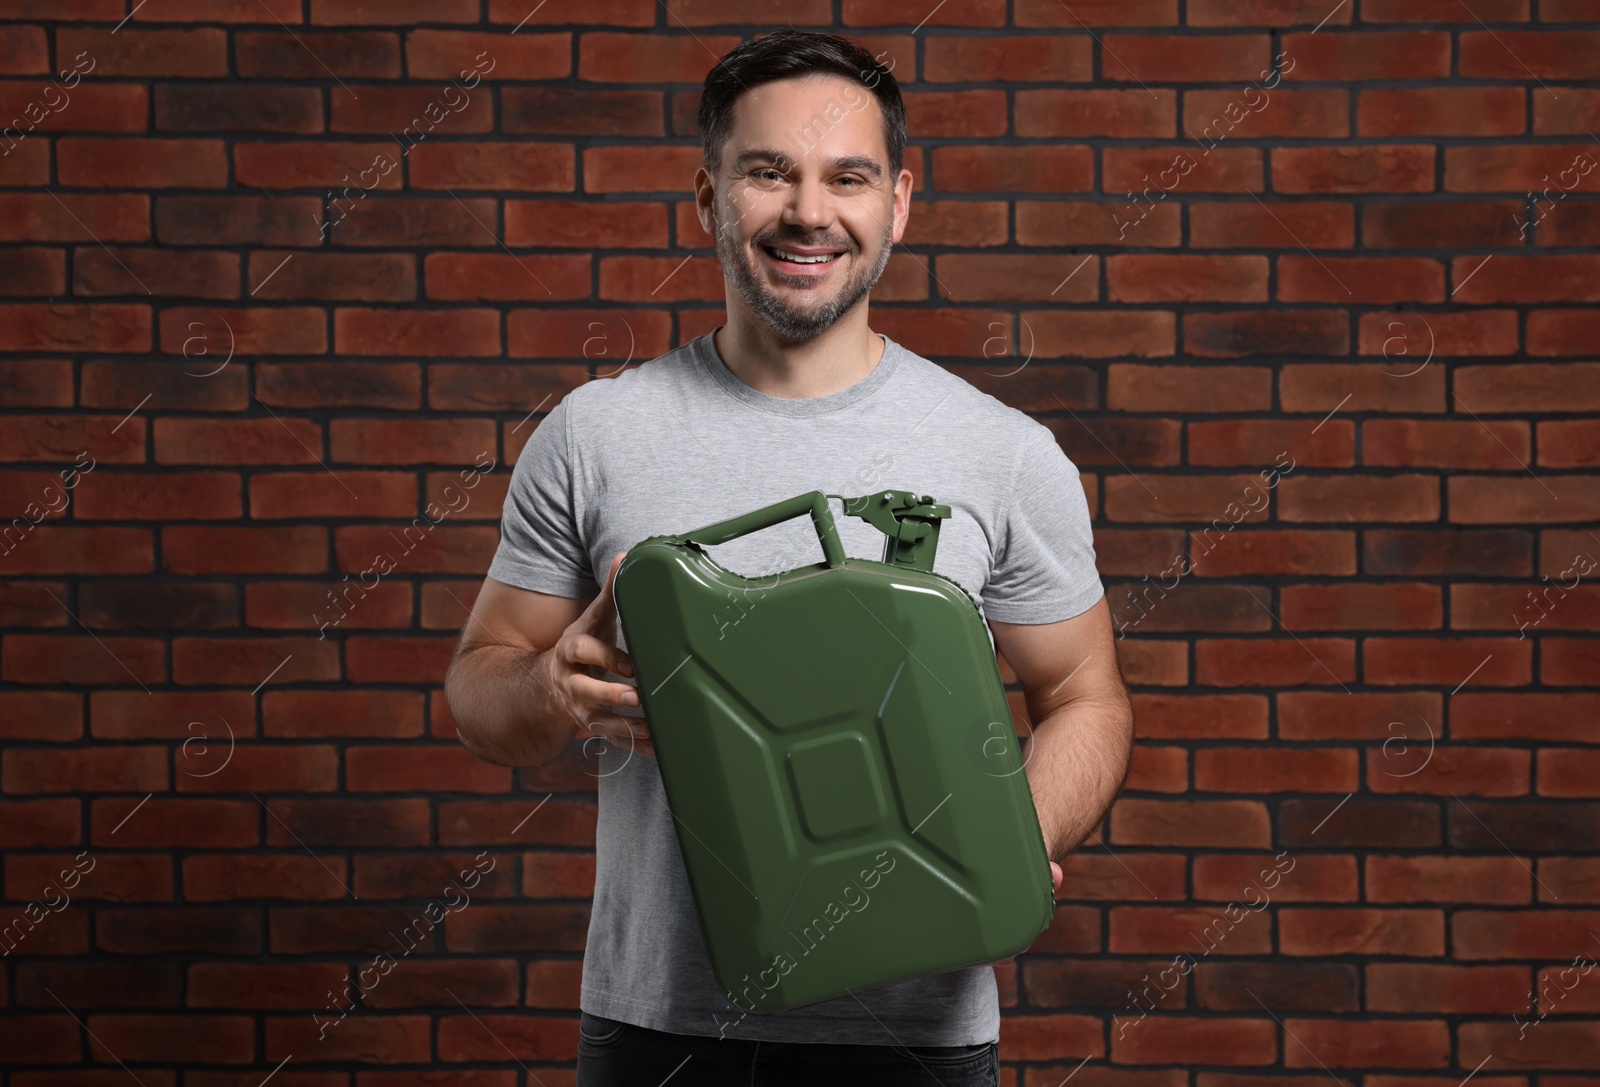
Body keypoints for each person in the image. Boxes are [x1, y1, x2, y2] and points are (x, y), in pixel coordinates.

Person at [445, 27, 1134, 1087]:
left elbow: (1085, 694)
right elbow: (478, 687)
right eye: (768, 173)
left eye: (846, 178)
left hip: (915, 1035)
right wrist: (547, 686)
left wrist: (1002, 842)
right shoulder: (596, 433)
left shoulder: (1000, 452)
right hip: (658, 1029)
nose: (809, 212)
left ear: (897, 201)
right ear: (708, 196)